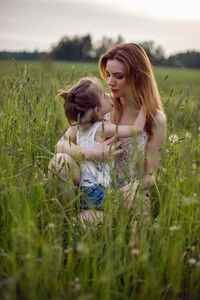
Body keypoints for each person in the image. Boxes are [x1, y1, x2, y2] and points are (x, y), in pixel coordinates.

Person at [48, 43, 166, 221]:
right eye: (108, 74)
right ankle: (67, 217)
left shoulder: (155, 119)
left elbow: (152, 175)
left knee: (139, 210)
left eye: (119, 76)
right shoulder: (98, 106)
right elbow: (61, 144)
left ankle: (96, 221)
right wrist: (92, 153)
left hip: (122, 194)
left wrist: (136, 185)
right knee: (59, 162)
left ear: (138, 77)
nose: (110, 82)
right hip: (90, 184)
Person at [53, 77, 145, 211]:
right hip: (100, 191)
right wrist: (146, 107)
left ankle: (73, 215)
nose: (108, 94)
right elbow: (136, 130)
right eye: (103, 95)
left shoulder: (81, 126)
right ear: (96, 110)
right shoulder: (102, 128)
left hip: (86, 190)